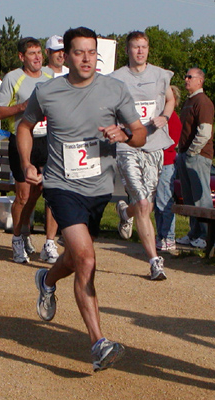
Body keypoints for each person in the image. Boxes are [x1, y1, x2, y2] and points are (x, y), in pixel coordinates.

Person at [17, 27, 146, 371]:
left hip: (98, 189)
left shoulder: (114, 89)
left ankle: (46, 280)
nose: (87, 58)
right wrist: (28, 163)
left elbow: (141, 132)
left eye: (92, 52)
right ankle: (98, 343)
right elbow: (25, 126)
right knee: (86, 258)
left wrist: (125, 133)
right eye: (79, 52)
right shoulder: (47, 91)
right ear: (65, 56)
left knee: (75, 259)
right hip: (61, 185)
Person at [111, 31, 175, 281]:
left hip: (154, 144)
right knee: (144, 202)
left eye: (144, 47)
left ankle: (125, 213)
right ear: (128, 50)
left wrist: (165, 116)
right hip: (128, 145)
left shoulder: (160, 75)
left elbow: (170, 100)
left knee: (144, 204)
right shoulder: (116, 78)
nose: (140, 51)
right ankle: (154, 261)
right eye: (136, 47)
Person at [0, 37, 59, 264]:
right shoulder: (13, 78)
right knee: (23, 195)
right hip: (22, 141)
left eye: (39, 52)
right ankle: (18, 238)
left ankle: (50, 243)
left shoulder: (51, 77)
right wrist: (22, 107)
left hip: (48, 140)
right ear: (22, 57)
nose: (38, 57)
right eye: (32, 53)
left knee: (50, 192)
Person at [176, 68, 215, 249]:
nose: (186, 79)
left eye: (189, 77)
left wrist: (192, 152)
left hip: (198, 156)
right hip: (184, 154)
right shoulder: (188, 102)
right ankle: (194, 234)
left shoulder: (203, 102)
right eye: (185, 76)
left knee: (201, 197)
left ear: (200, 80)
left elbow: (205, 132)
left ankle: (207, 237)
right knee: (189, 197)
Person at [154, 86, 182, 251]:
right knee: (157, 202)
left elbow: (172, 142)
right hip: (157, 162)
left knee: (165, 200)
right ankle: (161, 235)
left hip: (166, 163)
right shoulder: (160, 117)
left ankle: (169, 237)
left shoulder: (173, 119)